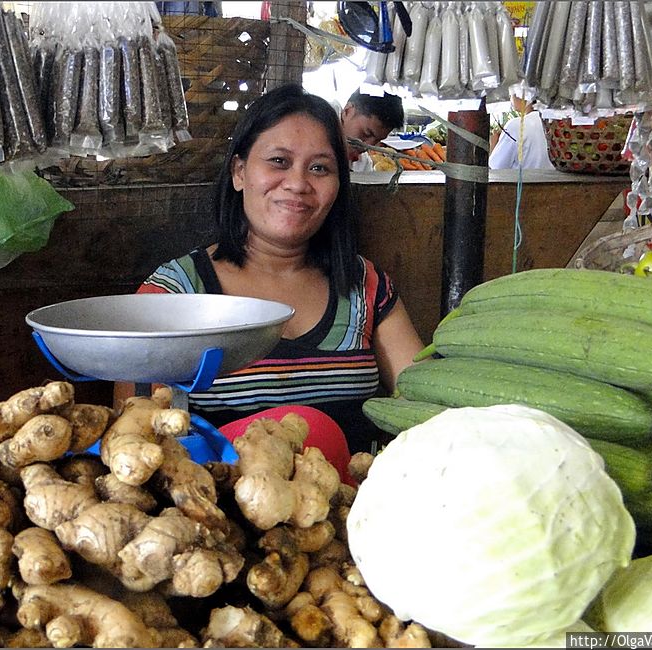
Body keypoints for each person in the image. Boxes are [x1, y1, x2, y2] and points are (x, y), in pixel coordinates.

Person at [114, 83, 424, 480]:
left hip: (357, 520)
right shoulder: (173, 293)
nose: (297, 183)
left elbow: (423, 403)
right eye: (278, 161)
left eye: (319, 168)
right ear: (240, 172)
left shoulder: (367, 287)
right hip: (216, 526)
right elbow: (135, 444)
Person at [331, 89, 405, 172]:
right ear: (347, 111)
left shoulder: (363, 165)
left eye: (377, 141)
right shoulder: (318, 121)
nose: (367, 146)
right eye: (367, 133)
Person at [488, 95, 555, 170]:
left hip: (524, 181)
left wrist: (493, 145)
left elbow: (496, 167)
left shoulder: (516, 125)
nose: (510, 97)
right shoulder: (554, 123)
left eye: (512, 94)